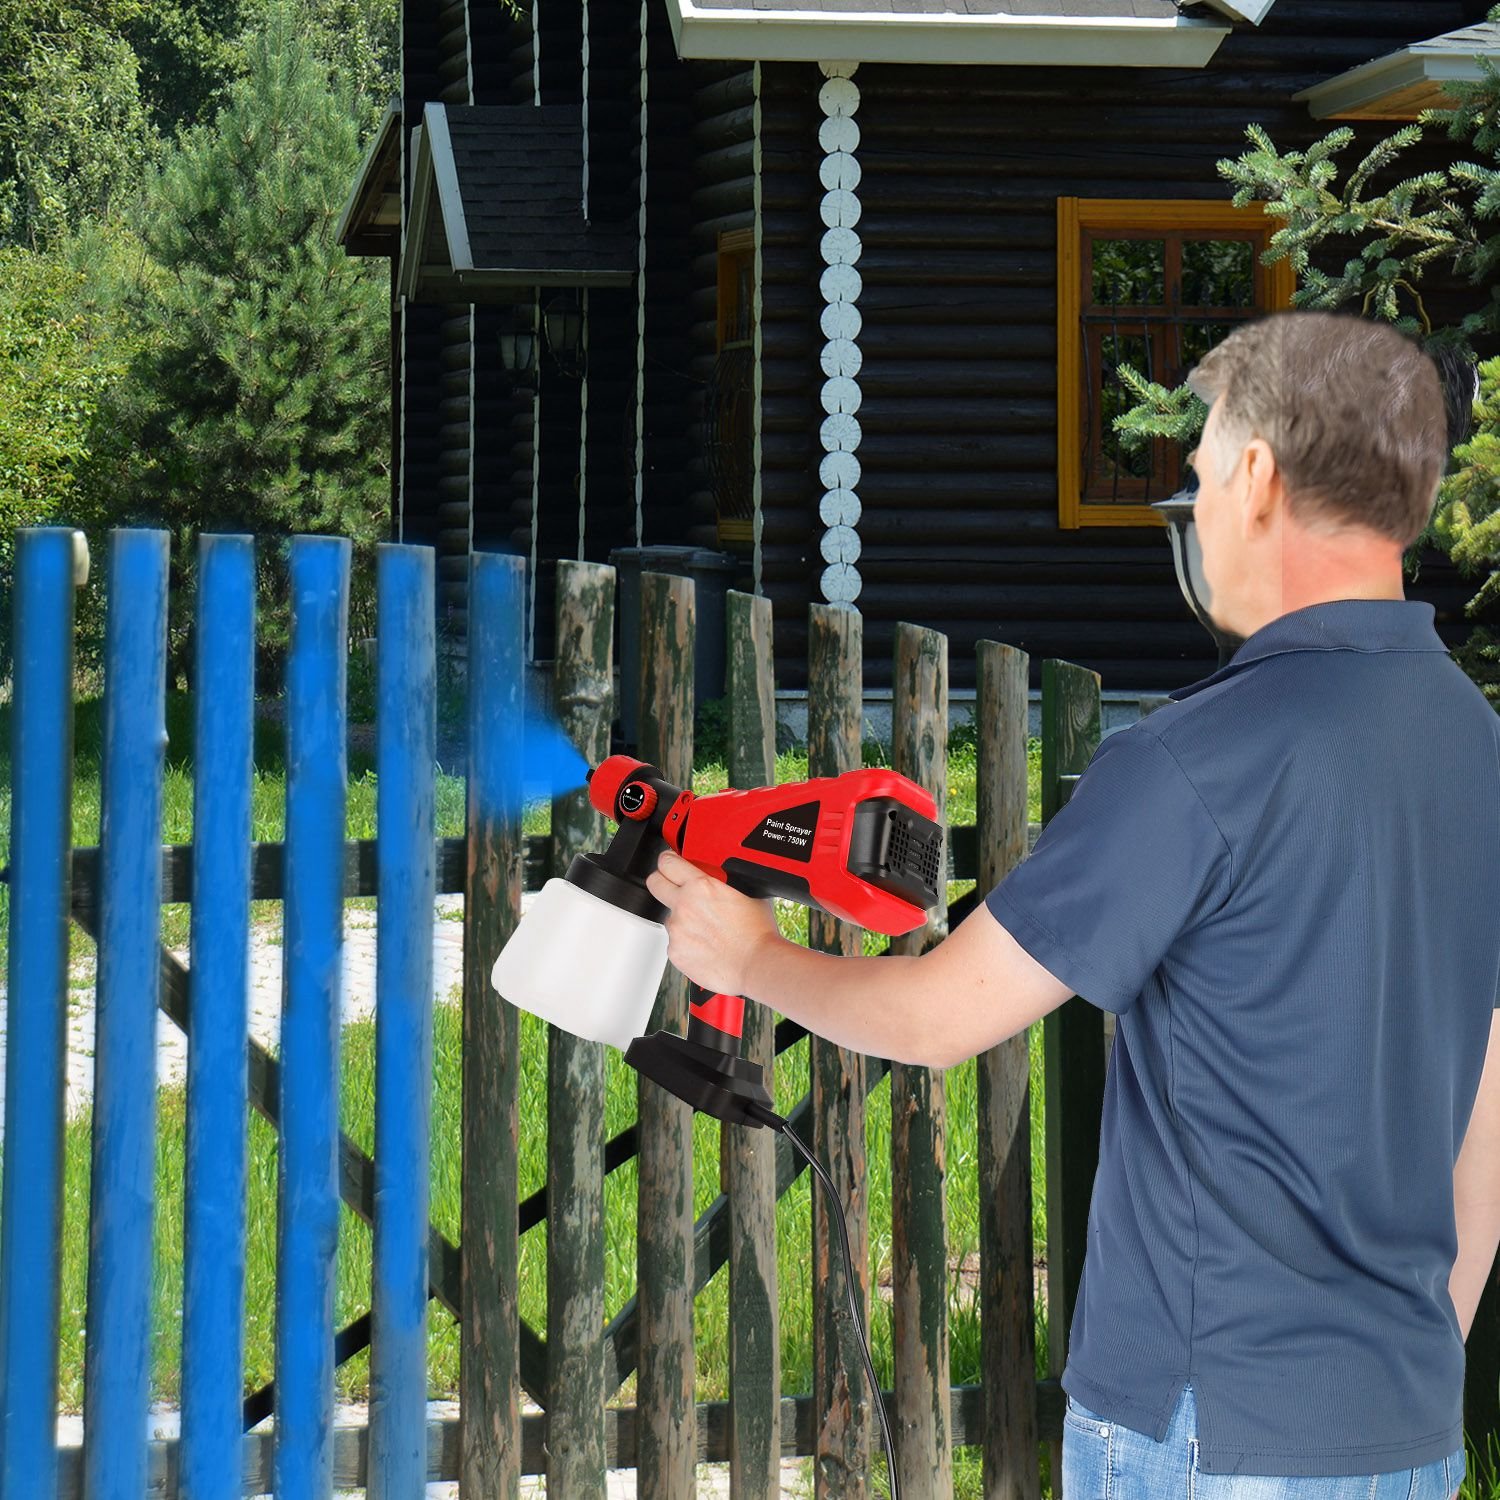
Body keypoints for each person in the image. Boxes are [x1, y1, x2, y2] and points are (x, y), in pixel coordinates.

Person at [645, 310, 1500, 1499]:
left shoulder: (1195, 762)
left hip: (1208, 1441)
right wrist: (1403, 1375)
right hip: (1406, 1432)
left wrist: (750, 957)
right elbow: (1484, 1121)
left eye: (1200, 476)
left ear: (1259, 480)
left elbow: (940, 1020)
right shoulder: (1475, 740)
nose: (1193, 513)